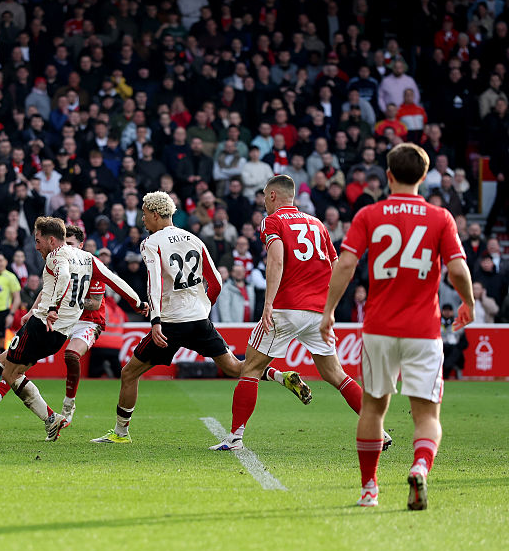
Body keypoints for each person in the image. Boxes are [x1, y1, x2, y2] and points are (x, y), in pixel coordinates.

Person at [321, 143, 475, 509]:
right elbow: (456, 269)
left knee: (374, 409)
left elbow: (345, 265)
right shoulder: (440, 218)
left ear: (388, 175)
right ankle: (420, 467)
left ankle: (369, 489)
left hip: (378, 329)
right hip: (424, 331)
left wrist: (328, 310)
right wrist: (468, 302)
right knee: (426, 415)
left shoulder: (369, 214)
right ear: (423, 176)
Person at [89, 192, 300, 444]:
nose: (142, 219)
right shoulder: (194, 239)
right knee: (234, 367)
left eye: (145, 214)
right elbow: (217, 281)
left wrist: (155, 320)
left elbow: (154, 283)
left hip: (169, 323)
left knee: (129, 373)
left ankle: (121, 433)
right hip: (199, 320)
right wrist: (204, 306)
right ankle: (279, 376)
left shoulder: (151, 242)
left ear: (156, 215)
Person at [210, 175, 387, 452]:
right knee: (336, 374)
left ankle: (234, 438)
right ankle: (377, 429)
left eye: (264, 199)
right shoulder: (318, 224)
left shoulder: (272, 221)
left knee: (251, 368)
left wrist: (268, 304)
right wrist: (329, 305)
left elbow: (277, 259)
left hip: (286, 308)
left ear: (271, 196)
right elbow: (338, 265)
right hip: (318, 311)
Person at [0, 217, 147, 441]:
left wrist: (52, 308)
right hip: (60, 334)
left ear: (51, 240)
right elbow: (114, 280)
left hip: (41, 325)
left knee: (8, 369)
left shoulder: (55, 256)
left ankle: (44, 416)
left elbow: (65, 276)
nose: (36, 246)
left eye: (38, 241)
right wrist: (137, 302)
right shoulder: (88, 258)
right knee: (9, 366)